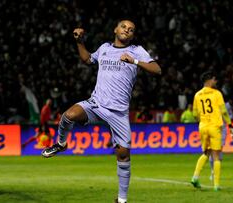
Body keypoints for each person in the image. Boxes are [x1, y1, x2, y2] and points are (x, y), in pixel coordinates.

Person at [41, 19, 161, 203]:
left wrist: (135, 61)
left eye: (131, 29)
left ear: (133, 35)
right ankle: (61, 143)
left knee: (123, 155)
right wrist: (80, 42)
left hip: (119, 113)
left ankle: (121, 200)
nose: (127, 30)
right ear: (115, 29)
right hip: (97, 104)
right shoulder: (104, 47)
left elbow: (157, 69)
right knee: (68, 115)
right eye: (124, 27)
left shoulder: (137, 50)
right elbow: (87, 59)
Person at [190, 71, 233, 191]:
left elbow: (194, 114)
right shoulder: (217, 93)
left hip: (203, 126)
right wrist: (230, 125)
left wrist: (202, 120)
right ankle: (216, 185)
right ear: (209, 80)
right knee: (216, 155)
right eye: (214, 80)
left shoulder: (197, 95)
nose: (215, 82)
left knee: (205, 153)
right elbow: (224, 111)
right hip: (215, 126)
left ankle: (195, 177)